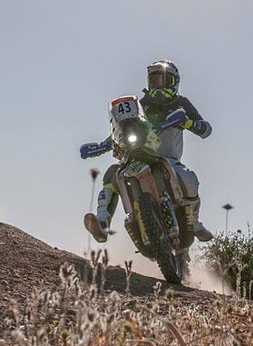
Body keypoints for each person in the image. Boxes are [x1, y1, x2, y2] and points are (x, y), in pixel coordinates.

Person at [84, 58, 214, 244]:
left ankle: (194, 222)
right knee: (113, 173)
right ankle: (102, 222)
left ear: (175, 82)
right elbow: (123, 128)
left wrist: (187, 122)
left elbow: (206, 129)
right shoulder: (141, 105)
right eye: (155, 80)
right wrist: (104, 144)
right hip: (140, 153)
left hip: (168, 158)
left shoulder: (181, 103)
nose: (159, 86)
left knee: (189, 178)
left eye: (165, 80)